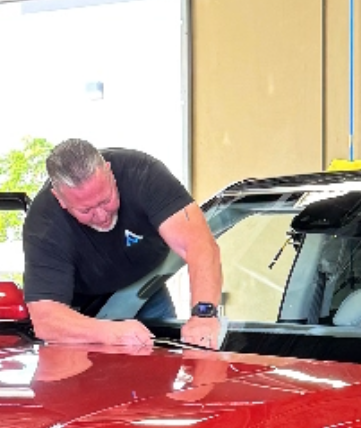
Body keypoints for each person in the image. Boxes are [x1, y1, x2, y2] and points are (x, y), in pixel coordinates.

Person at [22, 138, 223, 353]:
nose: (101, 216)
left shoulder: (144, 174)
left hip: (146, 288)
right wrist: (109, 332)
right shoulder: (44, 223)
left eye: (105, 200)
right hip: (84, 313)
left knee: (162, 372)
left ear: (110, 173)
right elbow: (46, 319)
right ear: (60, 199)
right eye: (86, 210)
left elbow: (199, 245)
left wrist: (203, 314)